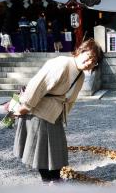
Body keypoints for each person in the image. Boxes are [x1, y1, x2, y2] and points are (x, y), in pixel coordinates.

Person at [13, 39, 103, 184]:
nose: (89, 63)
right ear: (81, 51)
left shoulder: (80, 75)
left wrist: (64, 115)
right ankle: (48, 179)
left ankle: (54, 178)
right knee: (41, 149)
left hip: (55, 113)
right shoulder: (62, 63)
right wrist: (25, 106)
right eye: (89, 57)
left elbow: (71, 99)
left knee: (55, 149)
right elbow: (39, 85)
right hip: (39, 110)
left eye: (94, 62)